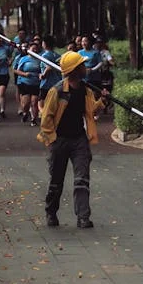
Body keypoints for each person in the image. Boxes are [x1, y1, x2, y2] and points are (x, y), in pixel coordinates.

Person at [38, 51, 108, 229]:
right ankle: (51, 212)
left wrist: (103, 101)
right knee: (56, 181)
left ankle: (83, 217)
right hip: (59, 140)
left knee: (81, 180)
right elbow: (46, 118)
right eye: (82, 65)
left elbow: (92, 111)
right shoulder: (58, 91)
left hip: (79, 140)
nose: (85, 67)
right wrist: (52, 140)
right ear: (75, 70)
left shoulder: (86, 90)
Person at [15, 41, 42, 126]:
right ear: (29, 49)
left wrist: (41, 75)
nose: (34, 50)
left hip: (36, 83)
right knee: (26, 103)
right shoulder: (24, 59)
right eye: (32, 48)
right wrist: (24, 74)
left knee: (34, 102)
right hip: (25, 82)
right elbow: (17, 71)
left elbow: (42, 69)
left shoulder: (40, 59)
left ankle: (34, 119)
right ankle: (25, 113)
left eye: (35, 49)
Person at [38, 35, 62, 116]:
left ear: (44, 44)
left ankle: (47, 117)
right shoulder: (58, 55)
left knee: (41, 104)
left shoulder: (45, 56)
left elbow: (49, 67)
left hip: (46, 84)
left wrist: (43, 75)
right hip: (57, 83)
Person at [12, 42, 27, 116]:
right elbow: (14, 69)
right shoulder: (18, 57)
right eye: (23, 47)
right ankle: (20, 107)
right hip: (19, 76)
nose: (24, 49)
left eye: (26, 47)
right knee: (19, 91)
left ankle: (26, 107)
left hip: (30, 77)